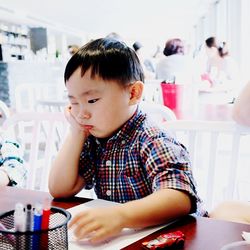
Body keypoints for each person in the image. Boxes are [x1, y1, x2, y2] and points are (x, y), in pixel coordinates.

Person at [48, 38, 206, 243]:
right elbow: (60, 189)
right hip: (127, 239)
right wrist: (76, 133)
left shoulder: (151, 137)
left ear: (133, 93)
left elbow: (180, 198)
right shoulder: (95, 138)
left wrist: (121, 215)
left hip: (176, 237)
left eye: (92, 100)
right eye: (74, 103)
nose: (81, 114)